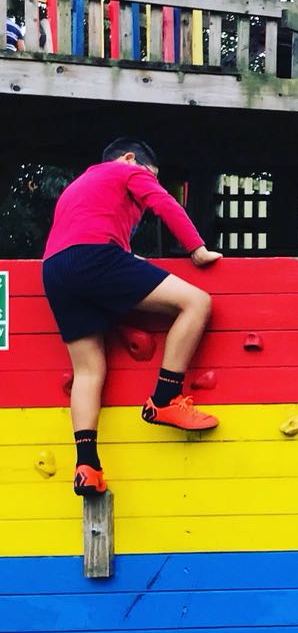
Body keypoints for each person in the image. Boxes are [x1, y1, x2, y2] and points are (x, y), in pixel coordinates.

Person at [41, 138, 223, 499]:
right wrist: (197, 249)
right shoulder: (125, 171)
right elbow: (164, 203)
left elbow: (98, 237)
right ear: (129, 159)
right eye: (149, 176)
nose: (146, 187)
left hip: (55, 270)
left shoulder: (79, 186)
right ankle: (164, 398)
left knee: (88, 370)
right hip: (94, 258)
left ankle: (87, 465)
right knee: (197, 303)